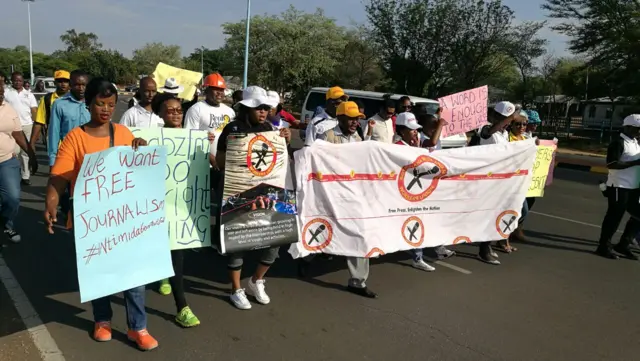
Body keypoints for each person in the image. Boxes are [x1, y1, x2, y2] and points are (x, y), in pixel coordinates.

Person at [43, 78, 157, 350]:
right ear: (88, 103)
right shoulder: (76, 138)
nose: (105, 109)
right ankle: (102, 320)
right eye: (100, 103)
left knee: (134, 277)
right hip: (91, 221)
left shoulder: (124, 134)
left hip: (125, 219)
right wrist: (50, 201)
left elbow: (140, 171)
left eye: (110, 104)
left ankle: (137, 327)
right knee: (100, 273)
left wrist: (141, 148)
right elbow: (59, 176)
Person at [215, 86, 292, 309]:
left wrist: (285, 140)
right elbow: (220, 163)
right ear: (247, 108)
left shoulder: (270, 128)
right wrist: (235, 151)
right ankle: (235, 289)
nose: (263, 112)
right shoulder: (232, 129)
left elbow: (279, 160)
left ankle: (256, 280)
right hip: (237, 191)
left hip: (267, 192)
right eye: (259, 108)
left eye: (266, 108)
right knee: (238, 241)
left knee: (276, 237)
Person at [299, 101, 378, 298]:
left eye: (357, 119)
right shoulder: (328, 137)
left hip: (352, 196)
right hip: (330, 195)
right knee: (324, 229)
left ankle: (357, 281)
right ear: (340, 118)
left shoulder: (358, 138)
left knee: (359, 234)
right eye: (351, 118)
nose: (354, 123)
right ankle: (307, 257)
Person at [148, 92, 201, 326]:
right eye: (170, 110)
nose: (176, 114)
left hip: (183, 207)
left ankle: (182, 307)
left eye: (179, 110)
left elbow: (213, 164)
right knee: (159, 249)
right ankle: (167, 283)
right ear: (159, 114)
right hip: (157, 205)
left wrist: (206, 149)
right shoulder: (152, 138)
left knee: (177, 254)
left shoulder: (193, 138)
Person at [471, 101, 518, 265]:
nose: (508, 121)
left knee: (495, 214)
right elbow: (488, 133)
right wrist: (509, 118)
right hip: (487, 180)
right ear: (496, 116)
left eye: (508, 118)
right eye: (504, 118)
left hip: (501, 180)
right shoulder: (486, 130)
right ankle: (483, 251)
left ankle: (487, 246)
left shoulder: (504, 134)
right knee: (489, 215)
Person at [596, 114, 640, 260]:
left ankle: (624, 244)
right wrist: (636, 163)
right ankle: (603, 246)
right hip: (618, 186)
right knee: (614, 217)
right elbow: (611, 164)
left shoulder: (634, 142)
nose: (638, 132)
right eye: (636, 129)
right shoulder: (618, 142)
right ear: (626, 127)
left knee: (638, 215)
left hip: (633, 187)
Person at [0, 86, 37, 244]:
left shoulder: (8, 109)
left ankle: (6, 224)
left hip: (6, 161)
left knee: (12, 198)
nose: (0, 93)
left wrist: (31, 155)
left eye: (1, 90)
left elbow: (17, 134)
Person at [48, 70, 90, 167]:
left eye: (84, 85)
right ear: (70, 84)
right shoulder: (59, 104)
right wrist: (53, 161)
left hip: (91, 156)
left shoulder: (94, 103)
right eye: (77, 85)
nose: (81, 88)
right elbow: (54, 133)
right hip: (69, 155)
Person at [3, 72, 37, 186]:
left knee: (25, 152)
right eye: (15, 80)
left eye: (20, 80)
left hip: (27, 125)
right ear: (12, 81)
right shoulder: (7, 93)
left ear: (23, 81)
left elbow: (33, 109)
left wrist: (36, 124)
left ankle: (25, 175)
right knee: (14, 152)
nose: (18, 82)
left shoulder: (29, 94)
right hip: (12, 126)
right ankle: (14, 174)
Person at [31, 70, 71, 149]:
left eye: (66, 81)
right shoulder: (47, 99)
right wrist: (32, 142)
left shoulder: (76, 99)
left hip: (72, 141)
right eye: (60, 81)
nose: (63, 84)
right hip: (53, 141)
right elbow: (39, 122)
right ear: (55, 83)